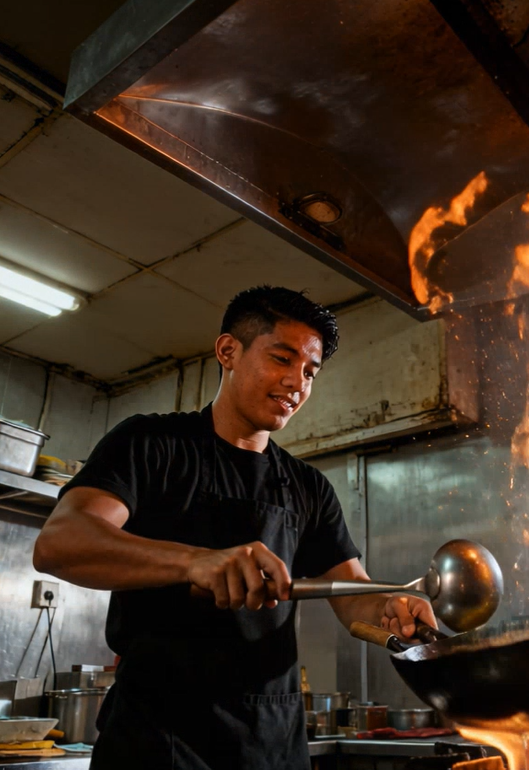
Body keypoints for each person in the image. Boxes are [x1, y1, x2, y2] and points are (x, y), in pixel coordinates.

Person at [33, 285, 436, 770]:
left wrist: (388, 606)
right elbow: (61, 542)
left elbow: (352, 595)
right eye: (282, 359)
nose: (297, 383)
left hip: (271, 744)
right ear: (228, 351)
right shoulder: (150, 444)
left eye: (310, 371)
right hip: (159, 739)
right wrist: (196, 560)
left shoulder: (307, 486)